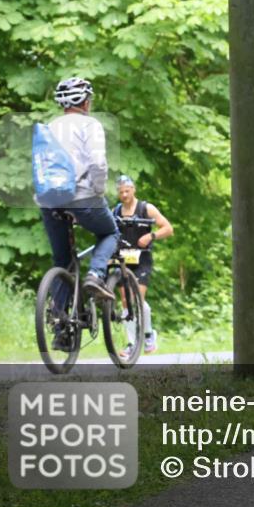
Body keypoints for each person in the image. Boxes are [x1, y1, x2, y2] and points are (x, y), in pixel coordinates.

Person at [39, 77, 119, 350]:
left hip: (49, 200)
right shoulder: (90, 124)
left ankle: (62, 328)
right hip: (83, 196)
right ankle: (96, 275)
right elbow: (97, 162)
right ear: (85, 101)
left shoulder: (48, 127)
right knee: (110, 232)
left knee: (62, 261)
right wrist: (98, 191)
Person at [113, 174, 174, 355]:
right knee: (125, 301)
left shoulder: (145, 208)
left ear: (134, 190)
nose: (124, 195)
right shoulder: (116, 211)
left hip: (142, 259)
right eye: (121, 192)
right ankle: (133, 343)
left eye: (127, 191)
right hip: (123, 259)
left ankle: (148, 335)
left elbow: (168, 228)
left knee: (136, 299)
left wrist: (150, 236)